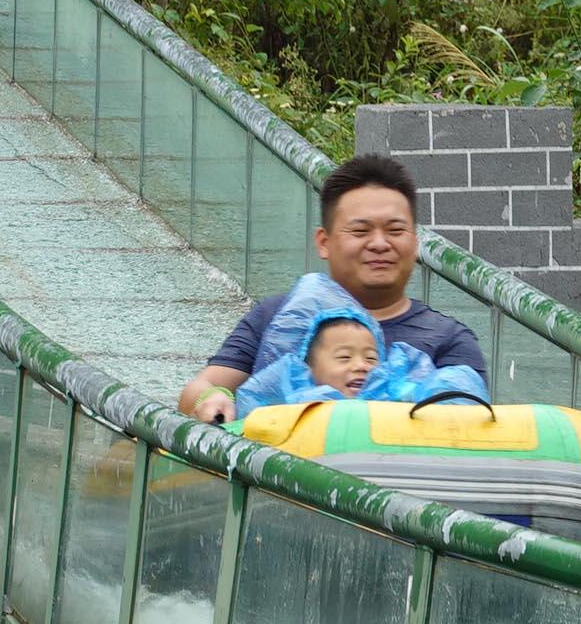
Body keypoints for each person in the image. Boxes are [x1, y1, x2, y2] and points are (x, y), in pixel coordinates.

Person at [178, 154, 488, 425]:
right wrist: (213, 398)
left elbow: (472, 426)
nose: (380, 244)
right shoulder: (277, 317)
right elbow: (201, 388)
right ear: (324, 242)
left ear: (415, 241)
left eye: (395, 230)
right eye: (360, 230)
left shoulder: (449, 339)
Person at [228, 273, 489, 415]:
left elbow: (446, 386)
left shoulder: (392, 390)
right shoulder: (292, 393)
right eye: (344, 357)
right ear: (310, 368)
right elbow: (253, 402)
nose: (361, 366)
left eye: (371, 358)